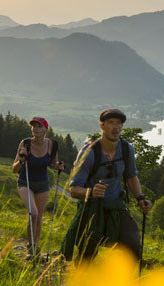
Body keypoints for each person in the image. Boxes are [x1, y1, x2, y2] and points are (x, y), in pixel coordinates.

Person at [62, 108, 152, 262]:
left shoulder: (126, 149)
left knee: (133, 243)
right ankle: (79, 280)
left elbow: (131, 177)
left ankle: (127, 283)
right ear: (102, 126)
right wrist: (91, 192)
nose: (115, 127)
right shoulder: (89, 153)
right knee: (87, 254)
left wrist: (140, 198)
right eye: (111, 123)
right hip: (91, 208)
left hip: (116, 205)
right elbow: (73, 189)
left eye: (119, 123)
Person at [12, 116, 64, 256]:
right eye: (34, 126)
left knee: (38, 217)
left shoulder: (52, 144)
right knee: (33, 213)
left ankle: (35, 247)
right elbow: (14, 169)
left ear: (46, 129)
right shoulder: (25, 143)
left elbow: (53, 163)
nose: (36, 129)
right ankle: (30, 246)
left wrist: (58, 166)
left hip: (42, 183)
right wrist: (22, 160)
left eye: (39, 126)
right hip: (25, 181)